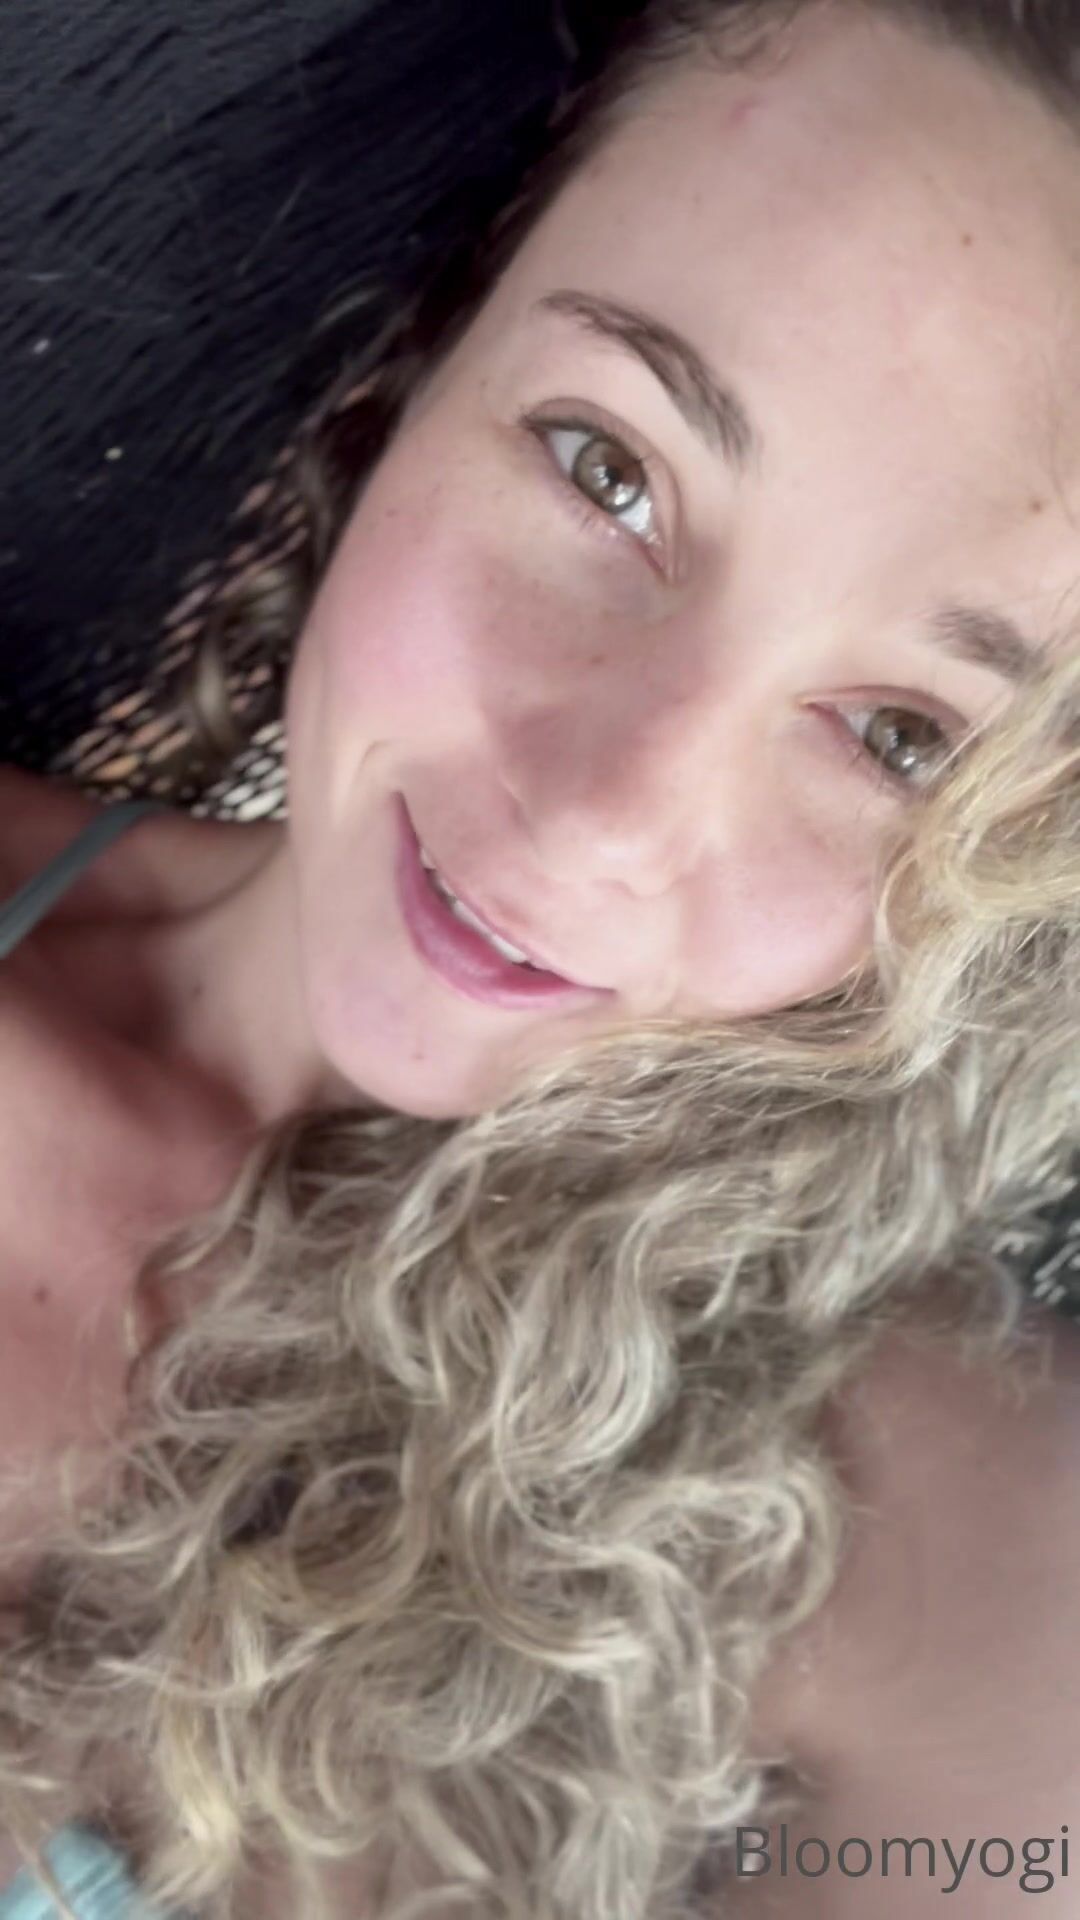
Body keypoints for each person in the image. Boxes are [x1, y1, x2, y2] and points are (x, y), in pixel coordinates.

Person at [1, 0, 1079, 1914]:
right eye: (608, 468)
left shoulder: (926, 1540)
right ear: (430, 357)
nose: (598, 814)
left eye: (903, 740)